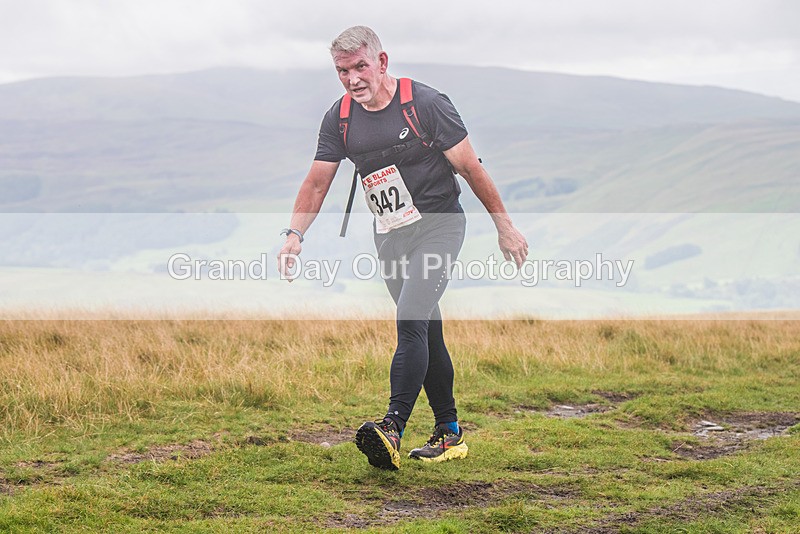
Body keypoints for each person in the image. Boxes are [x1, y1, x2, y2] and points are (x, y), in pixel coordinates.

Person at [277, 26, 528, 470]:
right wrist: (294, 235)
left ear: (382, 62)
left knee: (410, 318)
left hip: (440, 226)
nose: (353, 79)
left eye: (360, 67)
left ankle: (391, 427)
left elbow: (470, 167)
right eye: (342, 71)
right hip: (390, 233)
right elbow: (317, 183)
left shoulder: (426, 104)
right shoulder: (340, 118)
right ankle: (449, 433)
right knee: (426, 328)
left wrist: (504, 227)